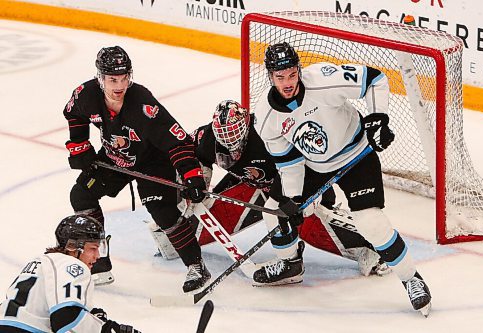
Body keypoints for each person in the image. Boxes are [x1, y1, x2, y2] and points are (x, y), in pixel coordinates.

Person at [252, 42, 431, 316]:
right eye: (280, 77)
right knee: (276, 211)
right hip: (313, 164)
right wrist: (295, 199)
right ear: (270, 76)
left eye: (291, 74)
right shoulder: (266, 118)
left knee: (370, 223)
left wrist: (377, 119)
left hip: (356, 154)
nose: (287, 82)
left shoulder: (323, 79)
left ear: (298, 70)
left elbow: (374, 79)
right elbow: (289, 163)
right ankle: (290, 265)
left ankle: (411, 278)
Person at [150, 100, 390, 279]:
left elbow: (307, 164)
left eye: (234, 135)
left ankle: (369, 246)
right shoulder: (208, 138)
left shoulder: (269, 134)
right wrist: (198, 184)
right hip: (254, 189)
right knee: (176, 239)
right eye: (224, 137)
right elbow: (191, 158)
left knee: (305, 223)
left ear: (245, 126)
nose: (230, 144)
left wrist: (308, 197)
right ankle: (177, 235)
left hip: (295, 188)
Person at [62, 46, 209, 293]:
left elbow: (178, 140)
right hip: (114, 158)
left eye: (123, 78)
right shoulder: (86, 94)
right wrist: (79, 145)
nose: (119, 85)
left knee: (162, 212)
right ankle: (99, 260)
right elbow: (72, 112)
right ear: (101, 78)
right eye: (112, 79)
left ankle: (196, 265)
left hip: (153, 162)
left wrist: (191, 175)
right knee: (81, 194)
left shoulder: (143, 104)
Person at [0, 214, 141, 333]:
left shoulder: (41, 262)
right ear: (72, 247)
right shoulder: (72, 265)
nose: (98, 256)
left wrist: (90, 316)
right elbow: (66, 318)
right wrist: (107, 328)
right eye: (93, 248)